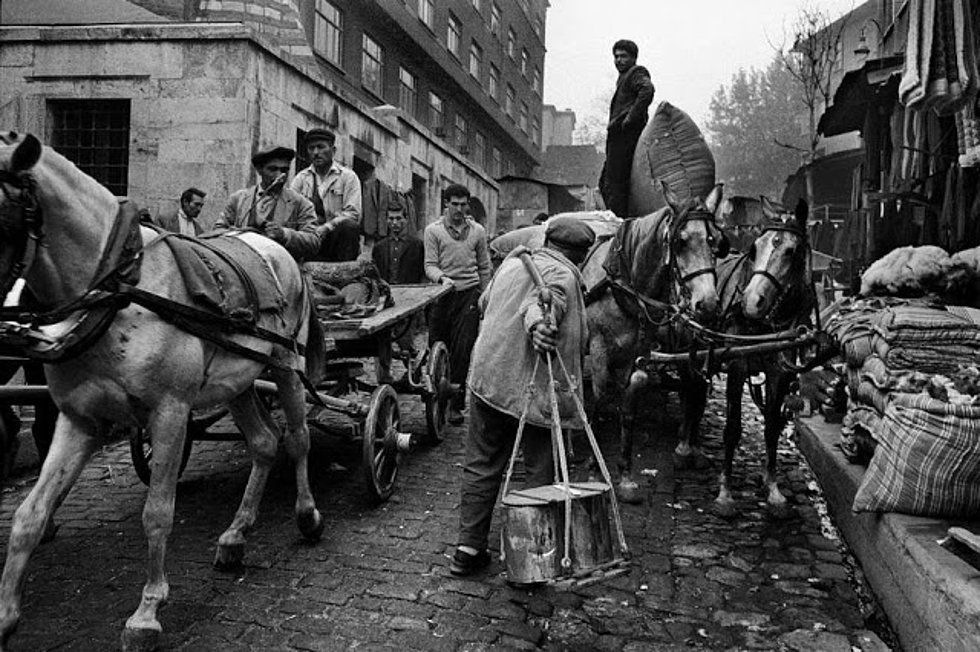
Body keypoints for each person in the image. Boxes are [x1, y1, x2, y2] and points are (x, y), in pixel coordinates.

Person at [449, 216, 596, 576]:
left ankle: (468, 549)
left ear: (548, 242)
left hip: (488, 379)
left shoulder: (512, 264)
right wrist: (538, 327)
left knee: (482, 464)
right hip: (535, 393)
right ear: (581, 256)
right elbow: (543, 305)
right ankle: (530, 562)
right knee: (540, 471)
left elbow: (484, 302)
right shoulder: (563, 276)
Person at [423, 184, 492, 425]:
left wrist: (484, 296)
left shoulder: (478, 231)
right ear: (446, 204)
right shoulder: (433, 231)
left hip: (468, 295)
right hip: (442, 294)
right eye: (455, 204)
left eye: (463, 204)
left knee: (463, 350)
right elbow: (430, 265)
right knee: (437, 346)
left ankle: (456, 404)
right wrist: (442, 279)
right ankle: (435, 398)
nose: (459, 209)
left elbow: (484, 267)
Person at [215, 144, 320, 262]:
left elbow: (314, 242)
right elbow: (218, 230)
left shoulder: (300, 203)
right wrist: (233, 234)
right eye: (273, 169)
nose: (280, 175)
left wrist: (285, 234)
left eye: (284, 170)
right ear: (260, 170)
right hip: (241, 264)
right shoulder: (238, 199)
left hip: (279, 267)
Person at [372, 196, 425, 384]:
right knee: (382, 337)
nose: (394, 223)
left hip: (408, 300)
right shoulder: (379, 247)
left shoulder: (417, 245)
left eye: (398, 218)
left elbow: (422, 274)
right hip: (386, 300)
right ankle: (384, 377)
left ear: (405, 220)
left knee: (405, 339)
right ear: (386, 220)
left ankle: (413, 373)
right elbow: (376, 276)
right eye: (391, 219)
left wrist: (419, 302)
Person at [290, 128, 362, 262]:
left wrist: (327, 227)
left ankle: (345, 269)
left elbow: (353, 214)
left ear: (333, 150)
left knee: (349, 226)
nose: (316, 152)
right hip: (309, 240)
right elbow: (290, 211)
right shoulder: (301, 179)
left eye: (321, 147)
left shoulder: (348, 177)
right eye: (311, 148)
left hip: (335, 240)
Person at [602, 39, 655, 218]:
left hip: (626, 136)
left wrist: (630, 119)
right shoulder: (624, 78)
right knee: (606, 183)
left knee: (617, 184)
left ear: (633, 58)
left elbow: (647, 90)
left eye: (623, 56)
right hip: (618, 136)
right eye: (616, 56)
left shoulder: (636, 72)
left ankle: (622, 221)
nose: (618, 60)